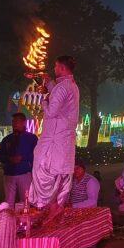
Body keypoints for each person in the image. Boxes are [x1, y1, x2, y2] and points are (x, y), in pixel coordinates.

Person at [28, 56, 80, 219]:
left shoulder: (63, 87)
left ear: (63, 68)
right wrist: (48, 84)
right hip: (62, 138)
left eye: (56, 66)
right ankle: (54, 206)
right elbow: (58, 95)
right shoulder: (70, 85)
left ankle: (46, 205)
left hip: (54, 138)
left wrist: (44, 98)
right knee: (60, 172)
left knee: (43, 168)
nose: (54, 68)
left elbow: (51, 112)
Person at [0, 112, 38, 206]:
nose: (14, 124)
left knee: (26, 200)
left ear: (24, 123)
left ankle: (26, 220)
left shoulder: (31, 138)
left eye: (17, 121)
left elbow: (37, 155)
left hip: (25, 174)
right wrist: (9, 159)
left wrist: (23, 158)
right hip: (9, 174)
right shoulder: (7, 139)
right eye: (13, 121)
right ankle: (7, 219)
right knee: (8, 202)